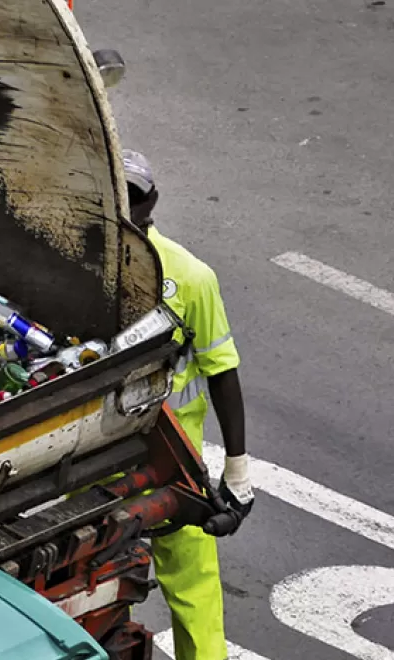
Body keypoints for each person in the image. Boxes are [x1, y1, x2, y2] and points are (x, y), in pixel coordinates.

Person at [122, 149, 254, 660]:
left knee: (194, 594)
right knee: (96, 580)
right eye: (117, 196)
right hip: (99, 458)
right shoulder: (85, 266)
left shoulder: (191, 277)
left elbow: (222, 371)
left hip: (173, 461)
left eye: (135, 199)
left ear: (150, 203)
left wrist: (237, 471)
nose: (126, 210)